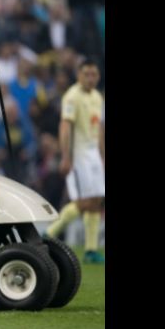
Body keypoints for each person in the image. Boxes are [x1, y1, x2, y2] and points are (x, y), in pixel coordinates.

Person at [45, 60, 105, 263]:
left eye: (94, 74)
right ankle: (49, 234)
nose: (90, 78)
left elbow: (100, 130)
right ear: (79, 75)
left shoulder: (97, 97)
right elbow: (65, 127)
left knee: (97, 200)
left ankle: (90, 250)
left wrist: (102, 157)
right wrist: (66, 156)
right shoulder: (72, 96)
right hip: (78, 156)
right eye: (86, 74)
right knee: (83, 202)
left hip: (94, 156)